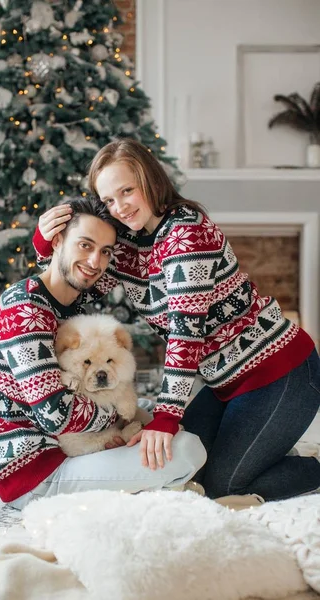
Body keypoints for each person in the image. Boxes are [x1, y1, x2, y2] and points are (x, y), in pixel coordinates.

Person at [33, 138, 320, 502]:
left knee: (222, 486)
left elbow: (186, 334)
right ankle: (264, 452)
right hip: (224, 384)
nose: (119, 207)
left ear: (150, 181)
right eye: (109, 200)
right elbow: (82, 290)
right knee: (185, 468)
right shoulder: (127, 243)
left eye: (127, 191)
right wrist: (48, 245)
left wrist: (166, 418)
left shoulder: (187, 233)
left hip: (280, 372)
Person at [0, 196, 207, 509]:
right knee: (189, 449)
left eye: (104, 252)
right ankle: (156, 490)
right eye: (84, 245)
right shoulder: (24, 310)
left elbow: (125, 263)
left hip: (69, 448)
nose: (95, 262)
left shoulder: (67, 301)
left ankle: (148, 486)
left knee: (162, 422)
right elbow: (57, 415)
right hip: (36, 473)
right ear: (58, 241)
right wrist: (118, 416)